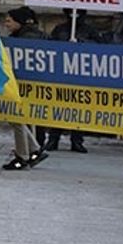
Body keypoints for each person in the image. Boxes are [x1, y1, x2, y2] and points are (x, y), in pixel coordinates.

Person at [41, 8, 98, 154]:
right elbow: (51, 46)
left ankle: (77, 140)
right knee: (58, 107)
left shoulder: (90, 31)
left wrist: (81, 43)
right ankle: (53, 139)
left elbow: (99, 49)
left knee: (79, 108)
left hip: (81, 75)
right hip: (61, 74)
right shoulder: (60, 30)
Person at [1, 7, 49, 171]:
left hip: (22, 85)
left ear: (18, 22)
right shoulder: (28, 35)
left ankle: (23, 155)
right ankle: (34, 150)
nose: (6, 24)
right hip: (29, 85)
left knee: (16, 118)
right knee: (21, 118)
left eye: (9, 21)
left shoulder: (25, 39)